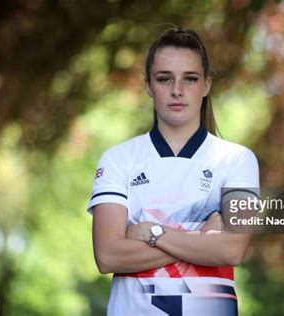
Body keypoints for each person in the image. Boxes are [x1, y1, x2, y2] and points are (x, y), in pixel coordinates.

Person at [88, 27, 259, 315]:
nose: (177, 90)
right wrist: (200, 240)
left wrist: (150, 232)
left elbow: (232, 250)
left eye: (189, 79)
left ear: (206, 85)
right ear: (148, 85)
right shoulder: (118, 159)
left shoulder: (237, 160)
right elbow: (107, 256)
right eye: (164, 78)